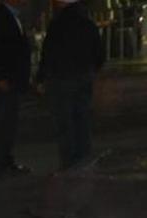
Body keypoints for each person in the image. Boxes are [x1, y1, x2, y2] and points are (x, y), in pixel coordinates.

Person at [36, 0, 104, 170]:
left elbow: (48, 53)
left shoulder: (57, 25)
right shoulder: (87, 24)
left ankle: (70, 161)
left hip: (61, 79)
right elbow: (98, 53)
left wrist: (41, 78)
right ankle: (84, 158)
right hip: (82, 77)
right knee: (82, 119)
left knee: (65, 122)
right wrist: (91, 69)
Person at [0, 0, 31, 177]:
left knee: (9, 121)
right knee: (5, 121)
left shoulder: (10, 17)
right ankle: (2, 161)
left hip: (11, 79)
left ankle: (5, 159)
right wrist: (1, 77)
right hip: (6, 80)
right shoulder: (1, 18)